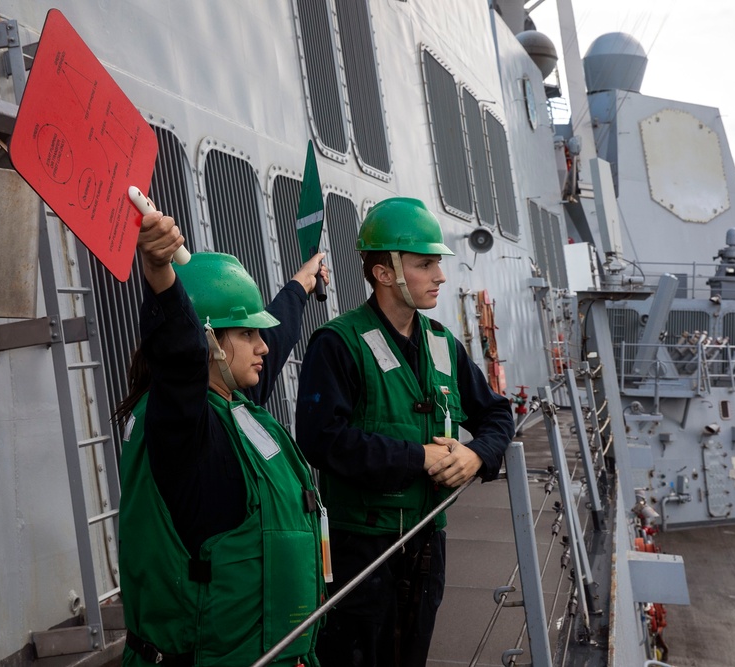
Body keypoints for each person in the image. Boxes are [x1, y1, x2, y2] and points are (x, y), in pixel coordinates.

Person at [295, 197, 515, 667]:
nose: (439, 276)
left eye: (437, 263)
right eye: (425, 264)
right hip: (360, 551)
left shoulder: (443, 344)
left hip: (426, 542)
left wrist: (476, 455)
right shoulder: (338, 344)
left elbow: (497, 414)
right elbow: (320, 439)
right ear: (385, 272)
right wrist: (418, 458)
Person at [115, 207, 328, 666]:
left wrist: (301, 285)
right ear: (208, 343)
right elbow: (179, 355)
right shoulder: (182, 425)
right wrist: (159, 271)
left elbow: (278, 332)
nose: (263, 347)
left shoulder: (230, 402)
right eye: (248, 333)